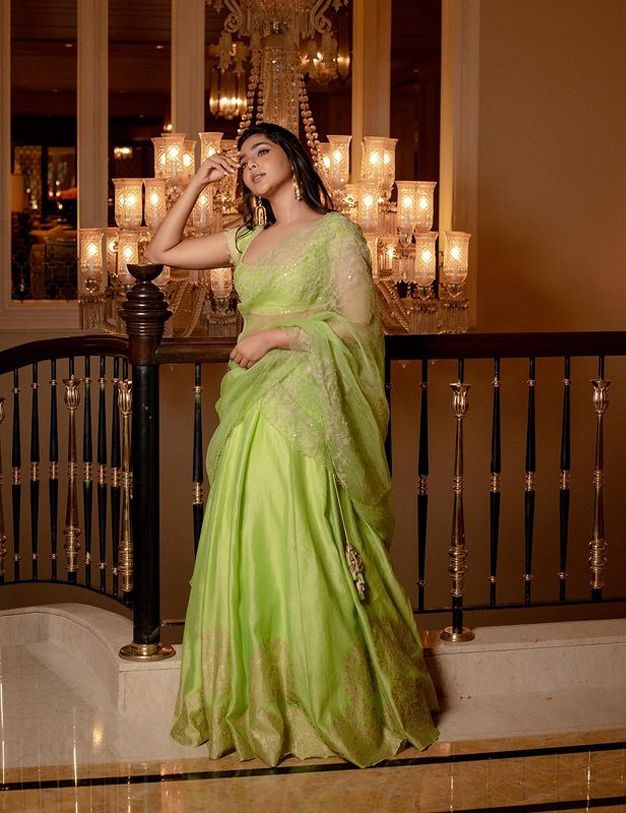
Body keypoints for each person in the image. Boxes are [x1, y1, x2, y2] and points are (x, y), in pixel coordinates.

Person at [145, 122, 439, 768]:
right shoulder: (245, 240)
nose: (250, 163)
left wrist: (277, 337)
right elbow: (162, 250)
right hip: (252, 400)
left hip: (305, 396)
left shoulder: (335, 234)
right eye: (242, 156)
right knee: (250, 528)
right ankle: (262, 692)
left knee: (303, 526)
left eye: (263, 150)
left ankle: (322, 695)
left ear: (293, 158)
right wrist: (197, 180)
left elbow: (359, 326)